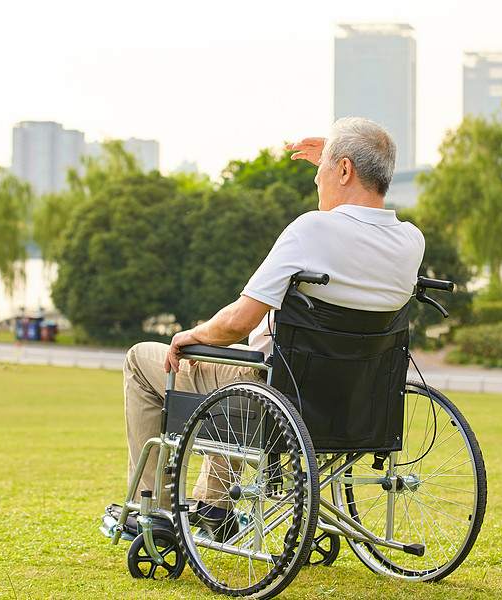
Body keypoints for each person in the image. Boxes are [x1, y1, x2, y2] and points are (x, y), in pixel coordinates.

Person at [117, 117, 425, 534]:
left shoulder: (311, 230)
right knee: (240, 371)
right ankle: (214, 507)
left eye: (322, 173)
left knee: (145, 359)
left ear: (345, 170)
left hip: (276, 399)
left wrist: (194, 333)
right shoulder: (410, 242)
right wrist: (336, 155)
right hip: (355, 407)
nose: (317, 182)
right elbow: (361, 217)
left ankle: (152, 512)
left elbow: (238, 322)